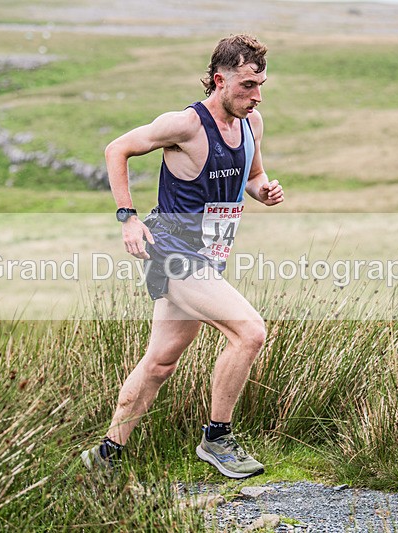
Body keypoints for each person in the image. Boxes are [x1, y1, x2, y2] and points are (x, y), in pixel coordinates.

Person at [81, 34, 284, 479]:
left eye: (261, 84)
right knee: (249, 332)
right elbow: (117, 149)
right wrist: (128, 217)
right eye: (248, 85)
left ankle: (104, 458)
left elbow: (253, 174)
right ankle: (217, 437)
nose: (257, 95)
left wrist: (264, 189)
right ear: (219, 80)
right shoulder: (185, 125)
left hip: (209, 257)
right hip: (171, 252)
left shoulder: (253, 124)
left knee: (160, 362)